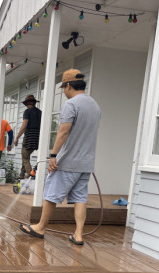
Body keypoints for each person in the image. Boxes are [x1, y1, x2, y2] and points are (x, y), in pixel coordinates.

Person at [19, 69, 100, 245]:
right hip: (86, 162)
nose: (63, 91)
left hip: (68, 161)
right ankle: (78, 234)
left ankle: (40, 227)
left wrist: (53, 155)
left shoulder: (71, 104)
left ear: (68, 85)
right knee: (80, 198)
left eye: (63, 88)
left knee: (51, 194)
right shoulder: (94, 105)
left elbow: (63, 132)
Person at [14, 95, 42, 179]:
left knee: (25, 158)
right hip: (37, 137)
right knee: (25, 157)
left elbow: (24, 125)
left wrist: (17, 137)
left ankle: (31, 176)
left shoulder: (27, 111)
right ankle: (21, 175)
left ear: (27, 103)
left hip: (29, 137)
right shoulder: (40, 112)